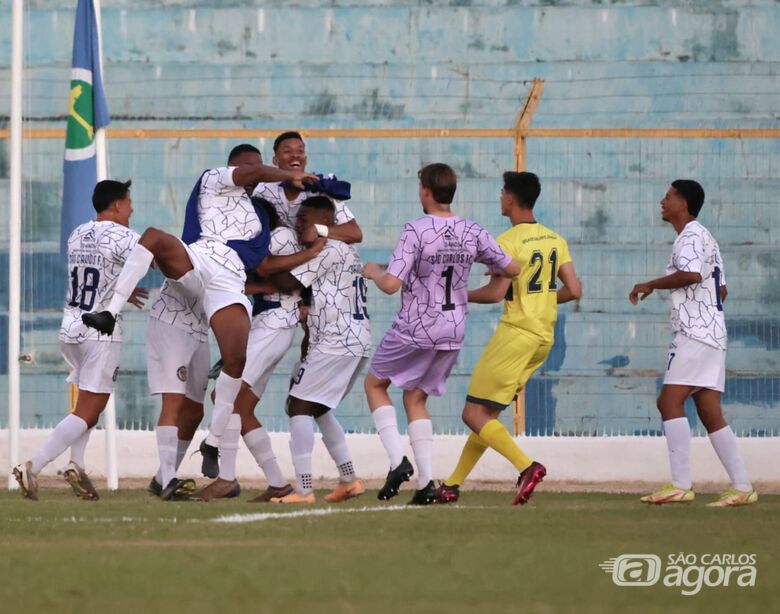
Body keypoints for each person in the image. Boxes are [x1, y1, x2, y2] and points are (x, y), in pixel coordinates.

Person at [81, 145, 316, 479]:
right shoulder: (213, 180)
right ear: (233, 168)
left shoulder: (260, 215)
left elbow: (262, 264)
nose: (252, 173)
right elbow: (256, 173)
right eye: (247, 167)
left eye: (257, 166)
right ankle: (109, 311)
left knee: (235, 359)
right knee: (154, 237)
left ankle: (212, 444)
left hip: (228, 282)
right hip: (198, 261)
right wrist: (288, 174)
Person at [362, 163, 520, 505]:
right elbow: (512, 267)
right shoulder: (471, 231)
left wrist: (374, 271)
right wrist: (484, 283)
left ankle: (396, 461)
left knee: (375, 385)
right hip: (453, 327)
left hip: (416, 325)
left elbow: (391, 285)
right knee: (416, 397)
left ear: (426, 192)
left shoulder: (415, 230)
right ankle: (425, 483)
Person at [435, 171, 581, 506]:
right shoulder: (555, 239)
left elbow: (496, 293)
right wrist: (541, 301)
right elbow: (574, 290)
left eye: (502, 191)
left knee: (472, 415)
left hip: (516, 335)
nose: (500, 196)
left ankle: (527, 467)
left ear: (511, 197)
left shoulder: (508, 242)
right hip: (543, 339)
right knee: (486, 417)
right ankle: (452, 485)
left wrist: (460, 295)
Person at [13, 180, 147, 500]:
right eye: (128, 203)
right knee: (90, 410)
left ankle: (77, 464)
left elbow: (93, 273)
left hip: (72, 325)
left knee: (86, 403)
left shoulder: (77, 233)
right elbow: (155, 257)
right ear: (116, 205)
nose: (132, 209)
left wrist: (121, 293)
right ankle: (34, 465)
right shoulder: (122, 235)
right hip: (101, 331)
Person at [629, 180, 757, 507]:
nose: (662, 201)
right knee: (708, 410)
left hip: (695, 333)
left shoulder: (689, 237)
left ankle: (681, 484)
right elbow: (721, 289)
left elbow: (691, 275)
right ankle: (742, 486)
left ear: (683, 203)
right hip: (714, 331)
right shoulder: (707, 237)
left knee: (668, 402)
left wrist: (651, 284)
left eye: (668, 196)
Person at [192, 198, 325, 502]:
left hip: (274, 322)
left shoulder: (277, 237)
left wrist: (267, 274)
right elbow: (253, 281)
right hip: (270, 324)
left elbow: (288, 279)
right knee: (242, 407)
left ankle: (225, 478)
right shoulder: (257, 244)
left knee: (222, 396)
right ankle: (277, 484)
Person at [266, 196, 371, 504]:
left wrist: (263, 264)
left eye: (302, 220)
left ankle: (303, 489)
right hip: (355, 339)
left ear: (324, 222)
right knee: (320, 406)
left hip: (336, 341)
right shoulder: (347, 250)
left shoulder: (327, 249)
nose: (297, 226)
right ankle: (349, 480)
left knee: (298, 406)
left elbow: (287, 281)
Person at [145, 277, 210, 500]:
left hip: (200, 327)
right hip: (172, 323)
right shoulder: (195, 242)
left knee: (194, 412)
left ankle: (162, 478)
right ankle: (170, 480)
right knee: (173, 401)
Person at [253, 131, 362, 244]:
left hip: (317, 257)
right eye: (287, 151)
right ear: (275, 160)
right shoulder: (262, 191)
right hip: (279, 258)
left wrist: (318, 230)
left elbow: (355, 233)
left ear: (306, 159)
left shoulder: (321, 187)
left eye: (300, 151)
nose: (295, 155)